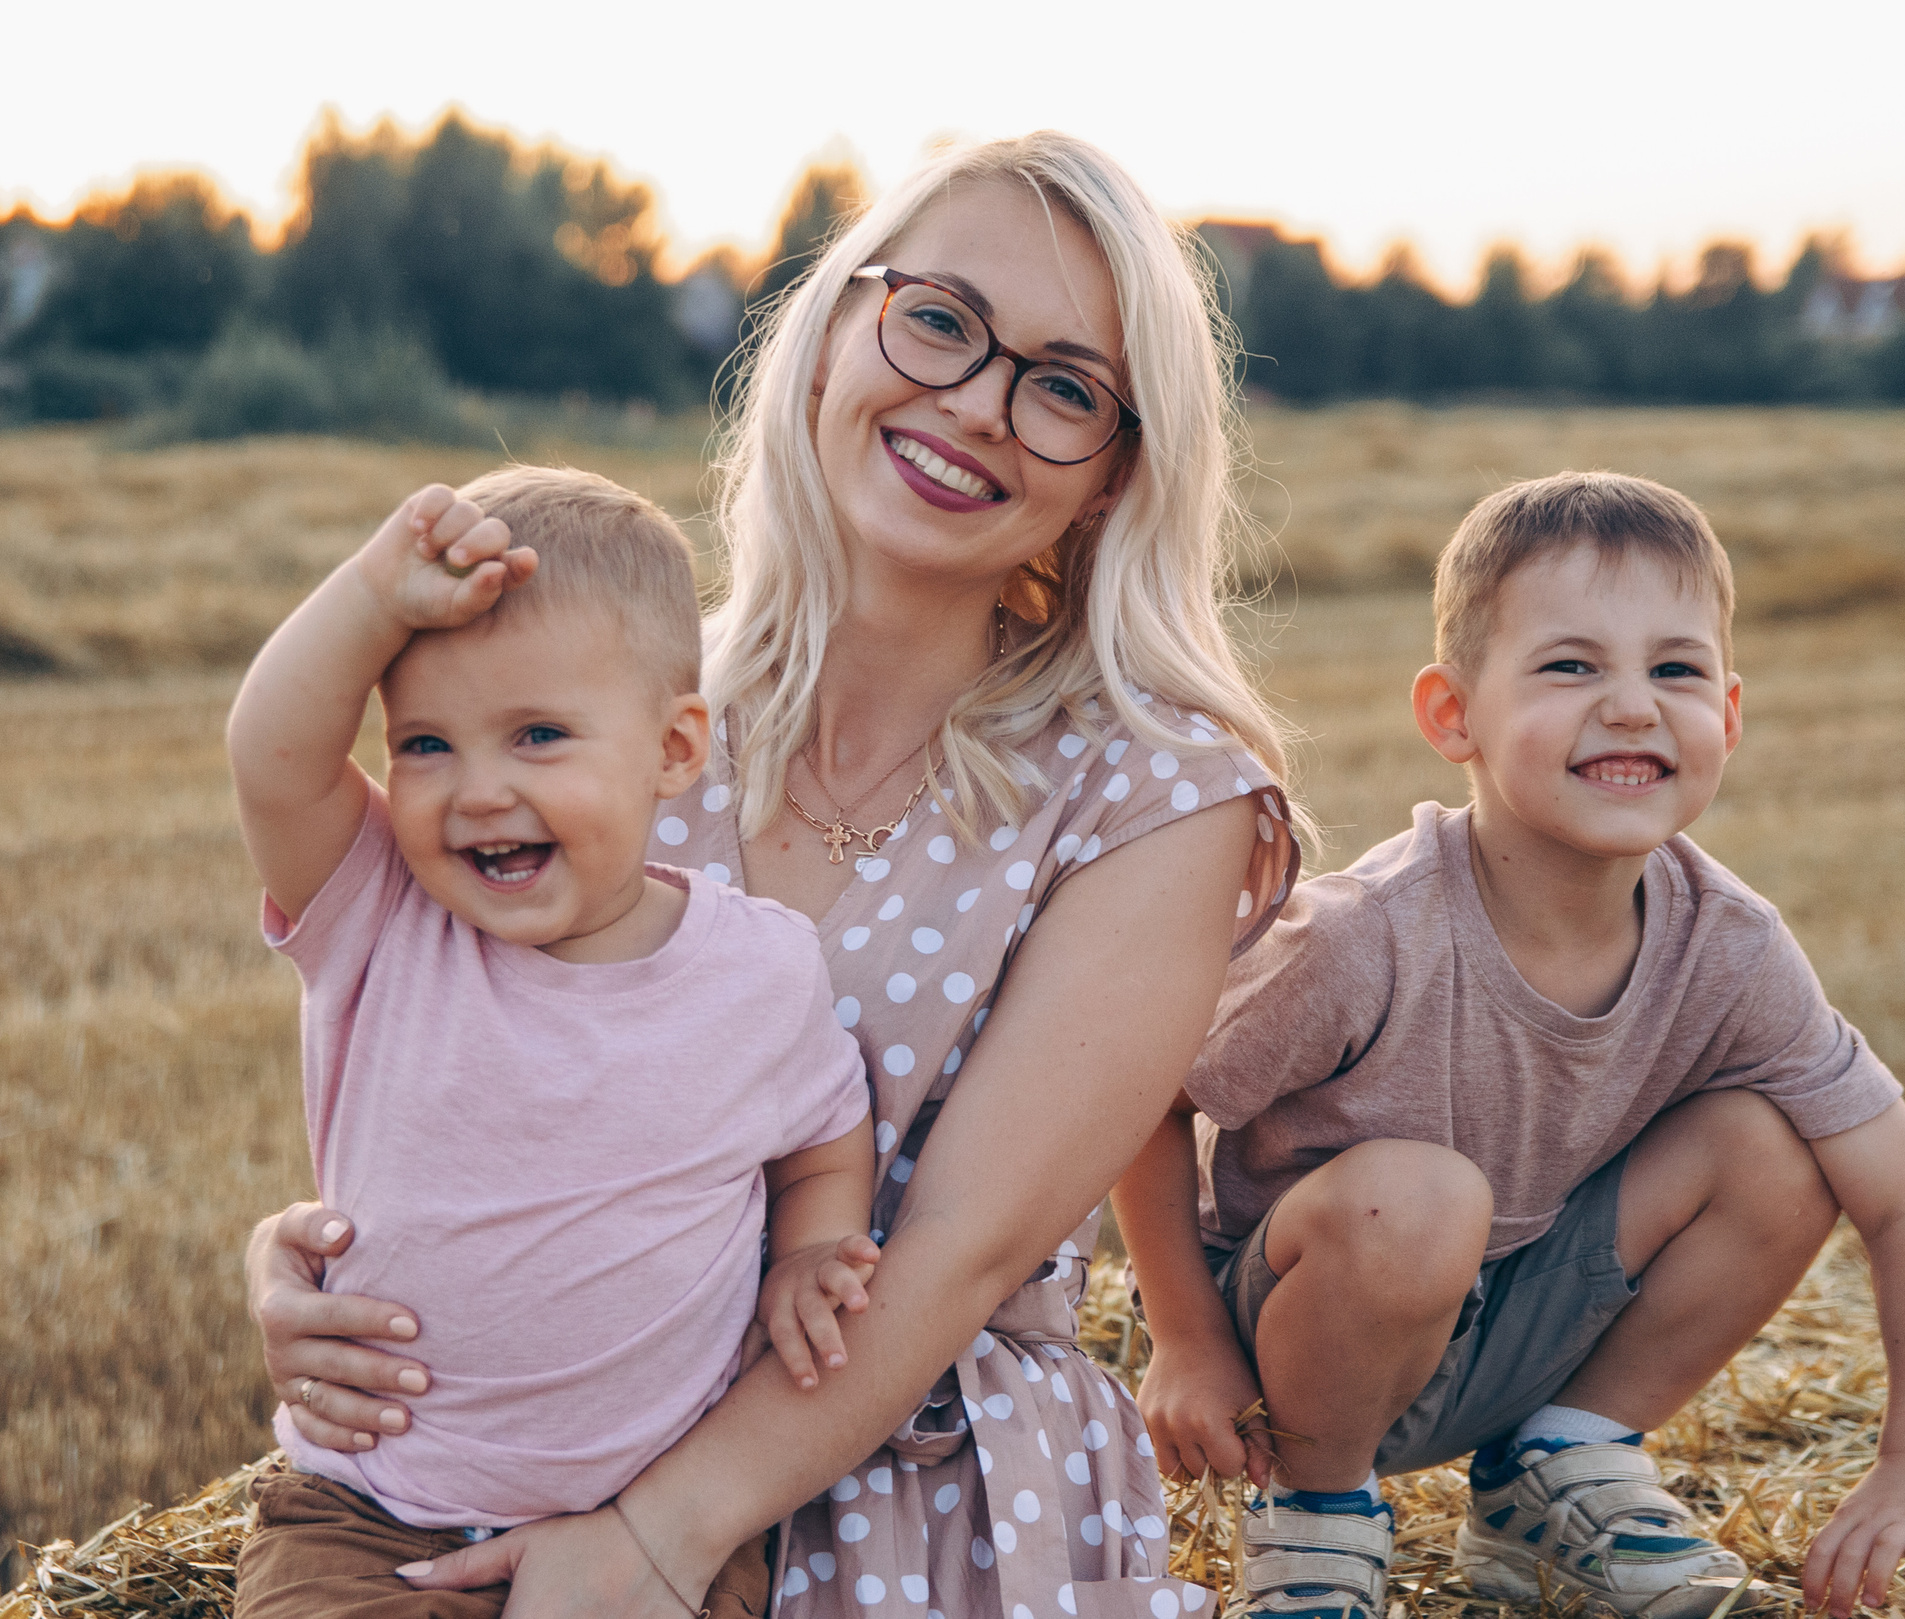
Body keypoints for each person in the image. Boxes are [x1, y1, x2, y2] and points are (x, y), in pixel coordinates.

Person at [243, 132, 1303, 1617]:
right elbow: (442, 1031)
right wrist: (313, 1259)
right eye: (939, 319)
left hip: (914, 1492)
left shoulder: (1156, 791)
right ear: (831, 335)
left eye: (1063, 387)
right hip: (522, 1470)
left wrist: (660, 1540)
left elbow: (955, 1249)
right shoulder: (612, 706)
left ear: (1117, 474)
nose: (977, 404)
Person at [1111, 473, 1905, 1619]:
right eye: (1571, 666)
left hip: (1513, 1326)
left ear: (1726, 715)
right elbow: (1136, 1094)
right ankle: (1317, 1516)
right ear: (1450, 716)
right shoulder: (1363, 936)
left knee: (1776, 1144)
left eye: (1673, 669)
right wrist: (1181, 1339)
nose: (1630, 707)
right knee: (1420, 1198)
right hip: (1297, 1339)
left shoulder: (1731, 949)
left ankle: (1552, 1468)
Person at [224, 466, 879, 1618]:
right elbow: (271, 754)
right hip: (371, 1516)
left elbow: (824, 1132)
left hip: (650, 1517)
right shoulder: (380, 914)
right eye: (425, 744)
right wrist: (375, 596)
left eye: (536, 735)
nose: (477, 792)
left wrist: (811, 1249)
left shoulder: (758, 969)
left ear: (676, 749)